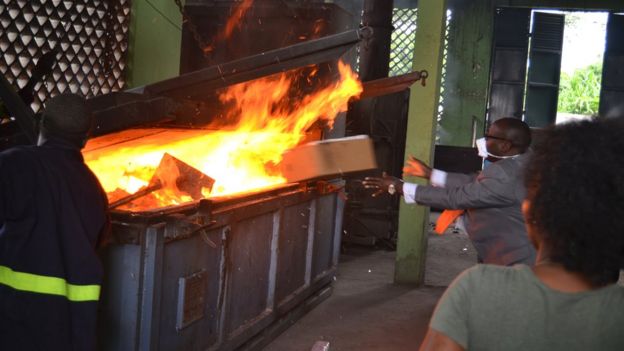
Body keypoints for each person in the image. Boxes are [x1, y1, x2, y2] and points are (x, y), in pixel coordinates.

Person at [417, 117, 624, 351]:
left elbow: (460, 196)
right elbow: (473, 184)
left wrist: (402, 187)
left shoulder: (477, 288)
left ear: (529, 212)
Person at [0, 93, 109, 350]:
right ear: (85, 139)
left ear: (42, 123)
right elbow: (99, 243)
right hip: (71, 334)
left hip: (15, 326)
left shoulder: (13, 166)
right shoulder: (95, 190)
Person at [363, 117, 535, 266]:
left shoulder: (504, 174)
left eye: (489, 136)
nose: (483, 140)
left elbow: (455, 198)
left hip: (514, 259)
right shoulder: (521, 161)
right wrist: (430, 174)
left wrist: (399, 187)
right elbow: (472, 182)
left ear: (505, 146)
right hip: (509, 253)